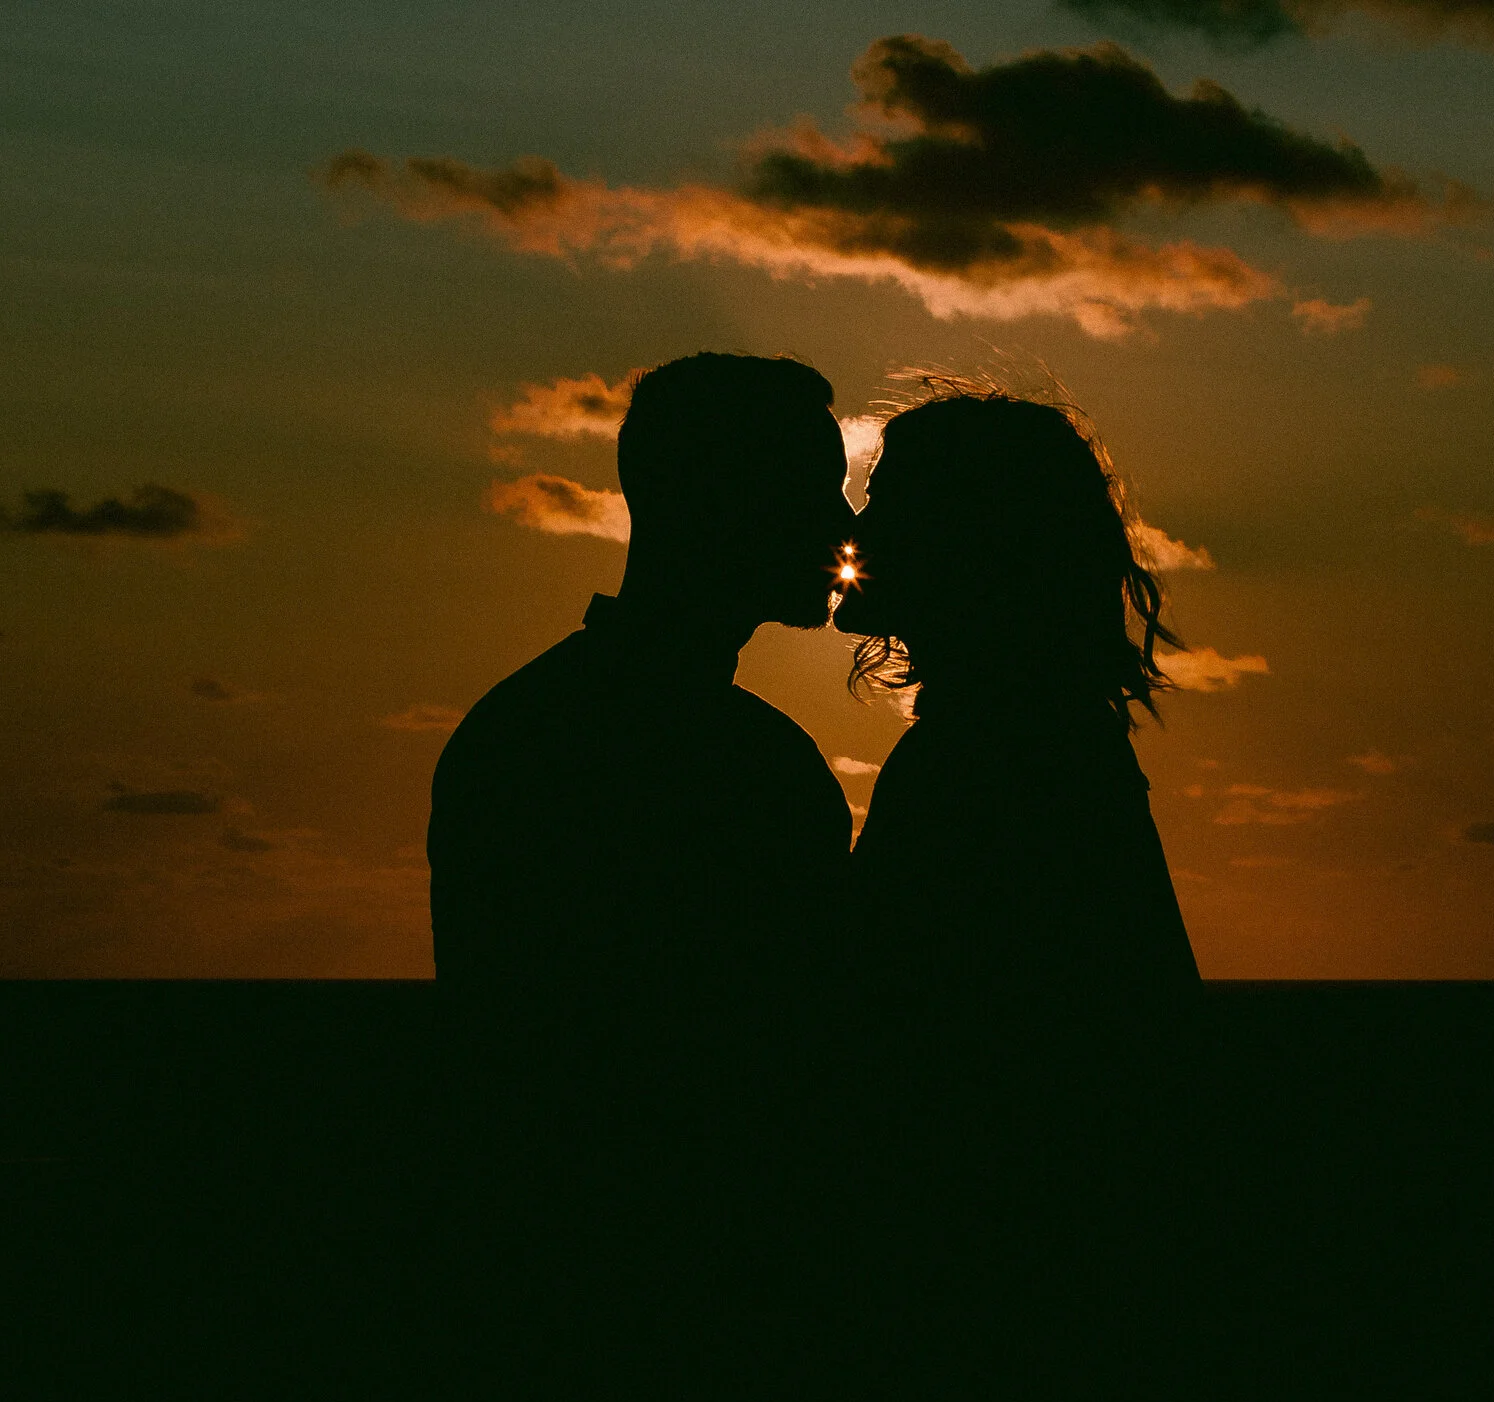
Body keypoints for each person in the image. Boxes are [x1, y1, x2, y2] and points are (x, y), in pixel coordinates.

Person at [427, 352, 861, 1021]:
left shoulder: (513, 731)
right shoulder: (762, 769)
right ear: (720, 497)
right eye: (811, 488)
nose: (844, 525)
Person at [831, 381, 1201, 1004]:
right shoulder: (1043, 739)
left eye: (887, 504)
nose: (853, 532)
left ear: (967, 539)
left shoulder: (1002, 758)